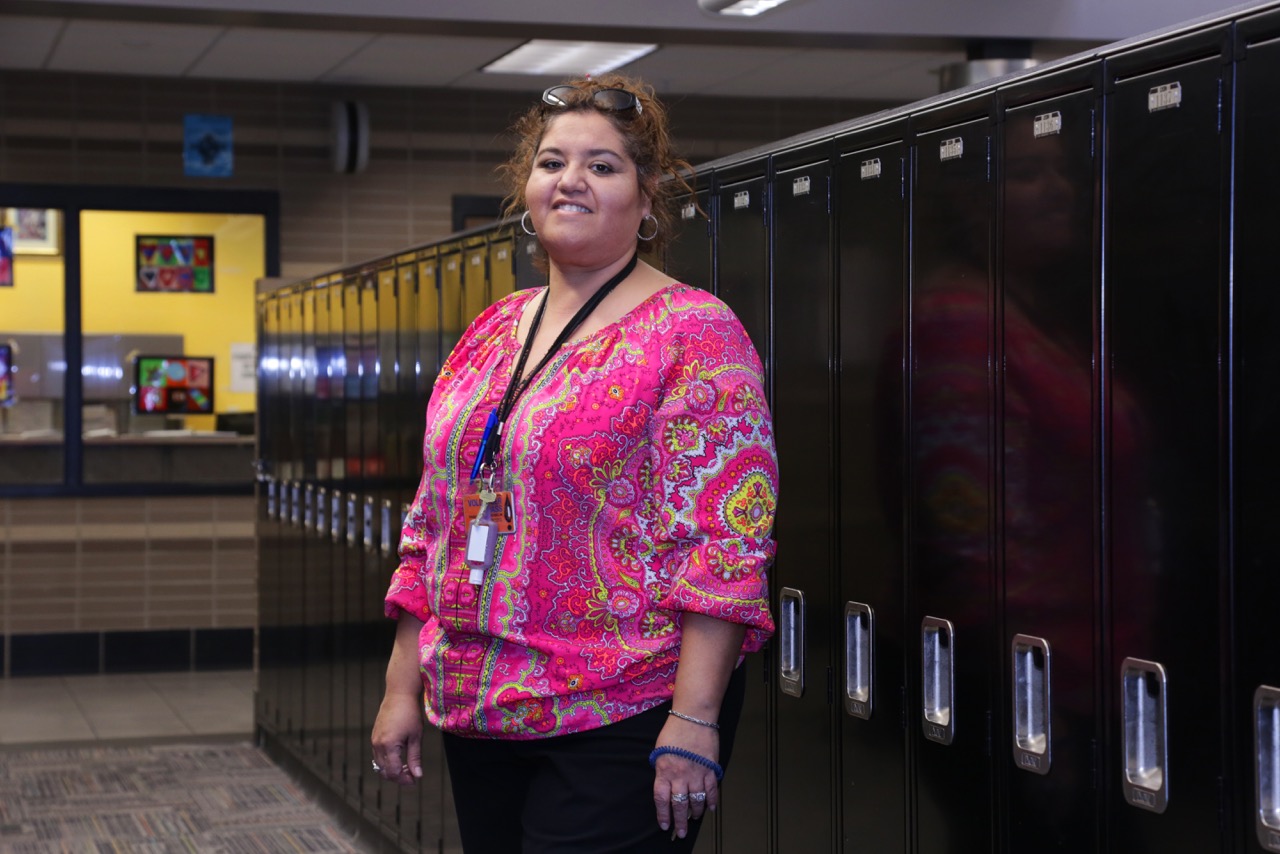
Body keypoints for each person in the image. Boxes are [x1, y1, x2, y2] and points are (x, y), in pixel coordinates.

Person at [370, 73, 778, 853]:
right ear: (527, 188)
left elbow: (726, 547)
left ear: (648, 195)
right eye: (553, 162)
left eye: (603, 165)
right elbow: (433, 522)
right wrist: (401, 686)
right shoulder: (493, 330)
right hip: (481, 700)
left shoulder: (695, 334)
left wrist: (693, 719)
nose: (572, 181)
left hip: (626, 705)